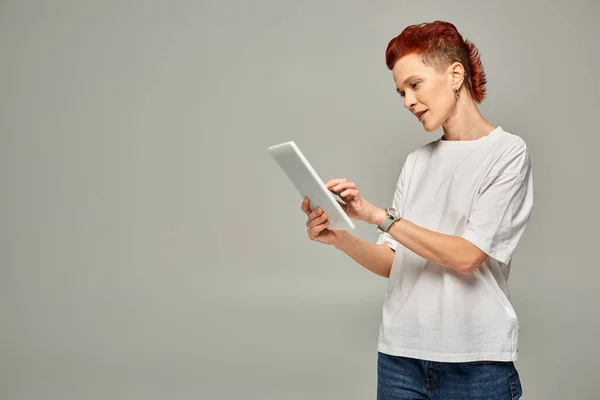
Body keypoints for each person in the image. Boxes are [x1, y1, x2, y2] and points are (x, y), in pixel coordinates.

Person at [301, 21, 533, 400]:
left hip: (475, 363)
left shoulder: (507, 153)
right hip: (399, 359)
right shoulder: (416, 162)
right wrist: (339, 237)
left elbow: (467, 256)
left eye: (415, 84)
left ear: (455, 75)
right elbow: (393, 262)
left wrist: (382, 217)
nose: (407, 101)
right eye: (400, 92)